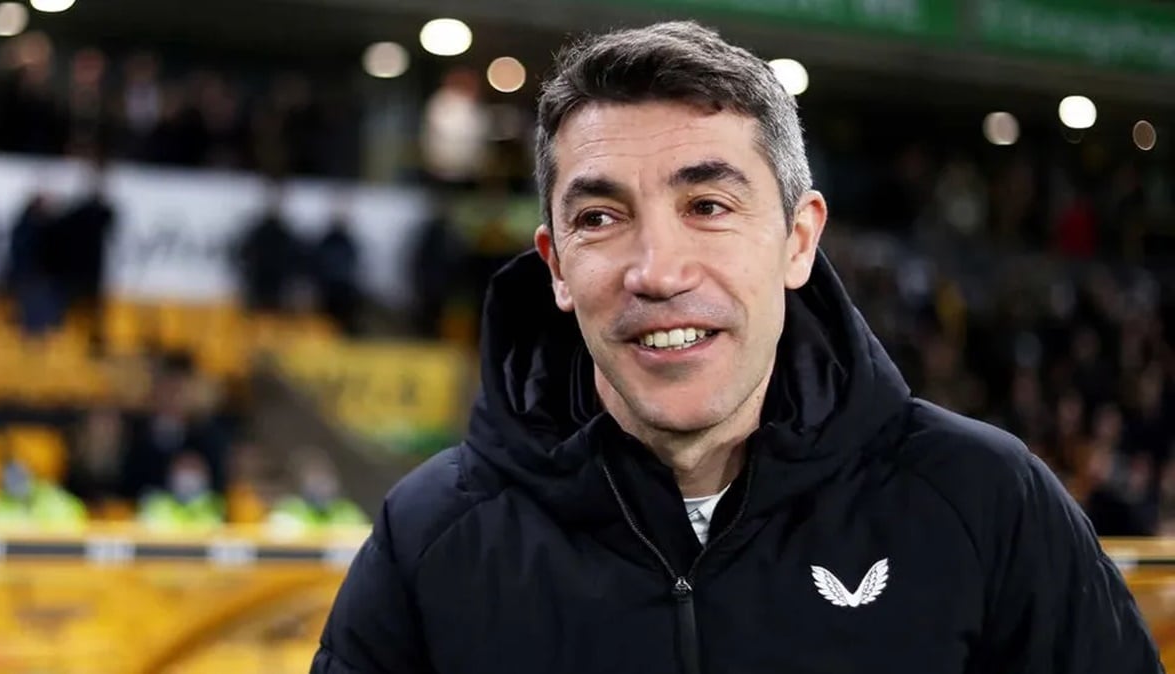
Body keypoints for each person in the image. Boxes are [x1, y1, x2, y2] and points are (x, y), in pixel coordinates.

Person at [312, 21, 1160, 674]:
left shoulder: (985, 501)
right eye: (600, 219)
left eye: (708, 206)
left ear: (798, 239)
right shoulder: (431, 541)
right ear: (557, 266)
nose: (657, 270)